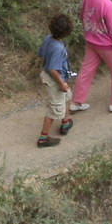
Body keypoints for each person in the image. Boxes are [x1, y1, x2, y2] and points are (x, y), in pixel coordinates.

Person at [37, 13, 74, 148]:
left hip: (51, 76)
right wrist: (61, 84)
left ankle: (65, 123)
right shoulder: (58, 48)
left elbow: (41, 54)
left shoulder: (48, 39)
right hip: (54, 80)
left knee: (67, 97)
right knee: (54, 110)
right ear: (67, 32)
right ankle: (43, 138)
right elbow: (53, 69)